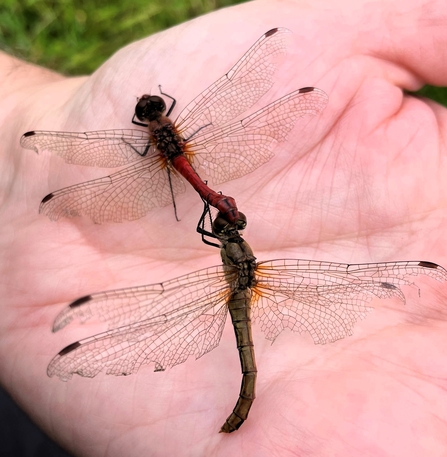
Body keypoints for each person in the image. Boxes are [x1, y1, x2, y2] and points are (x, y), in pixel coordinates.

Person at [1, 0, 447, 454]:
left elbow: (203, 229)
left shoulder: (174, 174)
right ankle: (244, 394)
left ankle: (244, 397)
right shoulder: (231, 233)